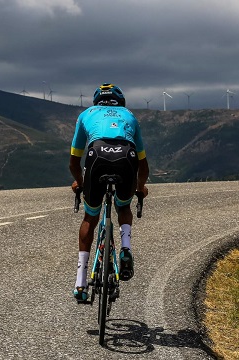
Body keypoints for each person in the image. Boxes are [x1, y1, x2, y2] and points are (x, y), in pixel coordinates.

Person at [69, 83, 149, 303]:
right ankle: (125, 248)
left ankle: (80, 283)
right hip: (127, 155)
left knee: (90, 217)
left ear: (97, 101)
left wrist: (80, 182)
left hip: (97, 155)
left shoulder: (86, 114)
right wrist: (140, 188)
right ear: (119, 101)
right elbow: (143, 165)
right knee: (123, 205)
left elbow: (74, 161)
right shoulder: (130, 116)